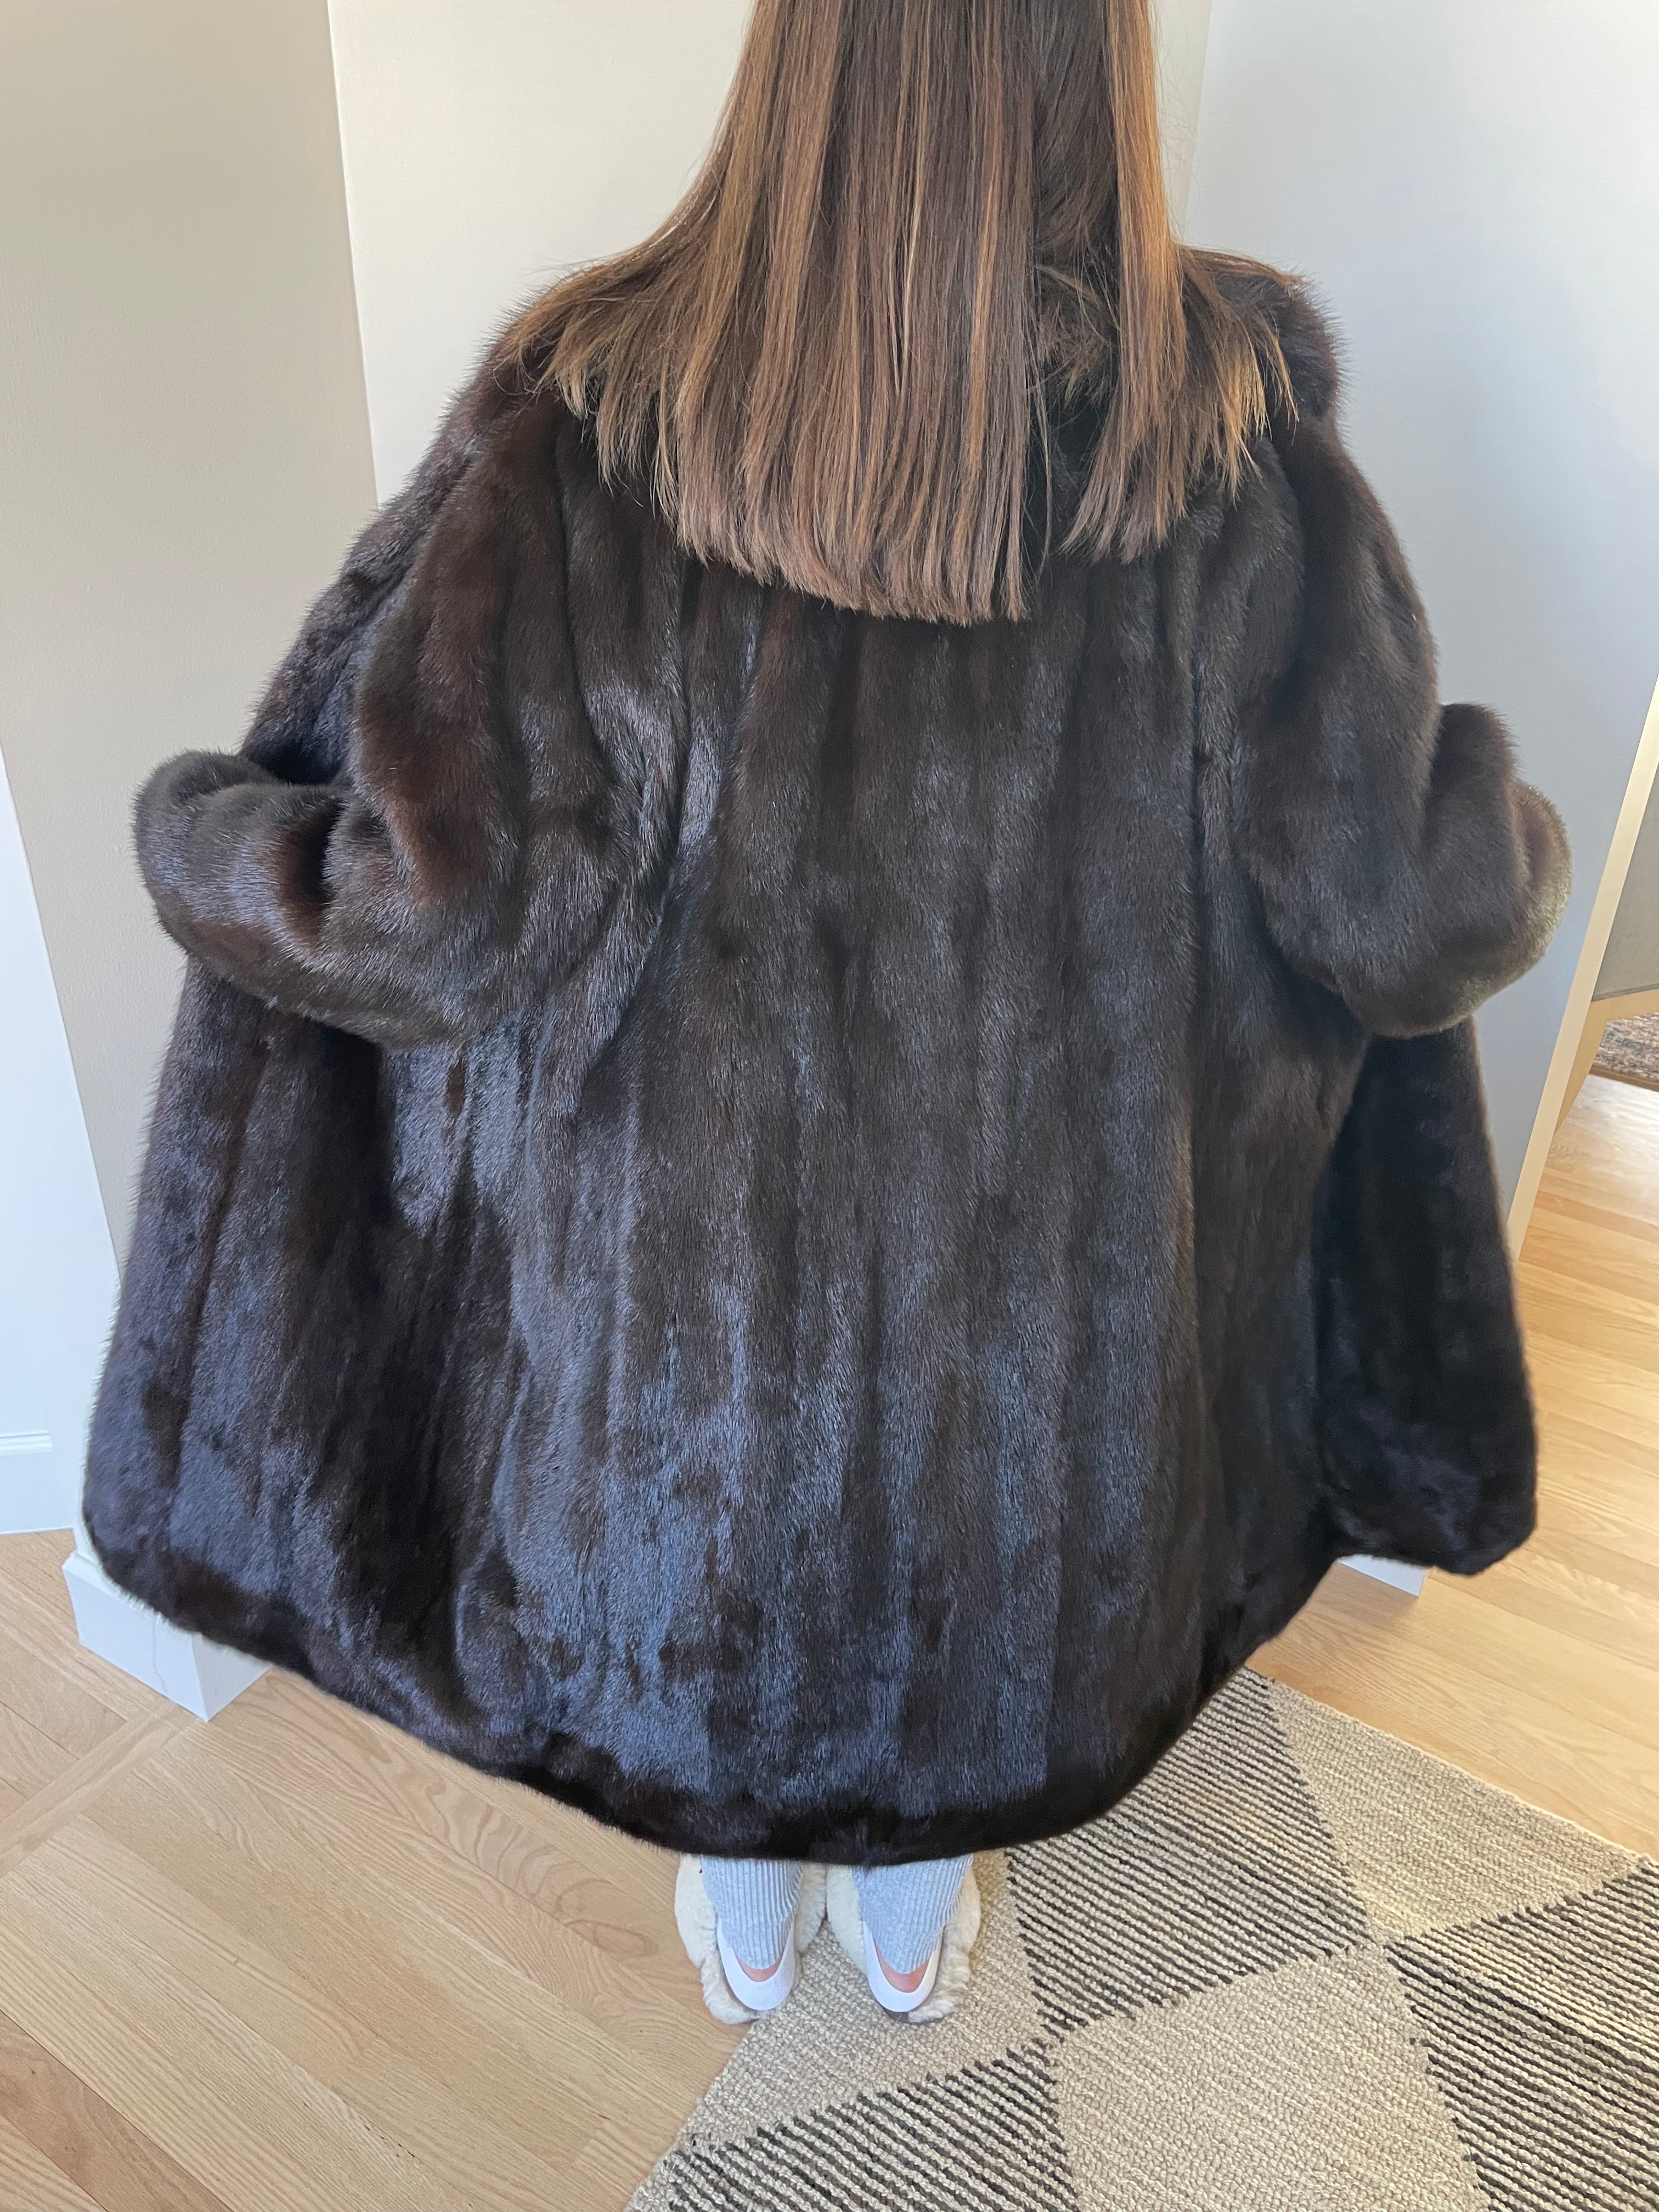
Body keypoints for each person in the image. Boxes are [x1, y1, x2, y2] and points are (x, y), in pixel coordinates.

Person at [86, 0, 1569, 2033]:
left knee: (718, 1666)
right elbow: (1406, 914)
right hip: (1053, 1398)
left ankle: (756, 1917)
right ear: (1101, 80)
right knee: (977, 1671)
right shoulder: (1225, 448)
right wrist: (1504, 819)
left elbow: (427, 921)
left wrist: (206, 840)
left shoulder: (595, 421)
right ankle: (910, 1927)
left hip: (691, 1386)